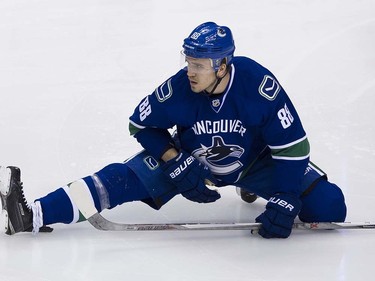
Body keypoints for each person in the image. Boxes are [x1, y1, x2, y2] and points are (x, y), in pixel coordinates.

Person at [0, 22, 346, 238]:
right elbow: (139, 124)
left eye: (198, 64)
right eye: (188, 61)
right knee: (120, 180)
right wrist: (173, 158)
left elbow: (293, 148)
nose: (190, 71)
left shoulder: (258, 85)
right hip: (191, 158)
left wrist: (287, 196)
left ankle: (252, 188)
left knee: (330, 206)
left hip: (256, 161)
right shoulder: (179, 88)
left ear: (223, 65)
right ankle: (32, 215)